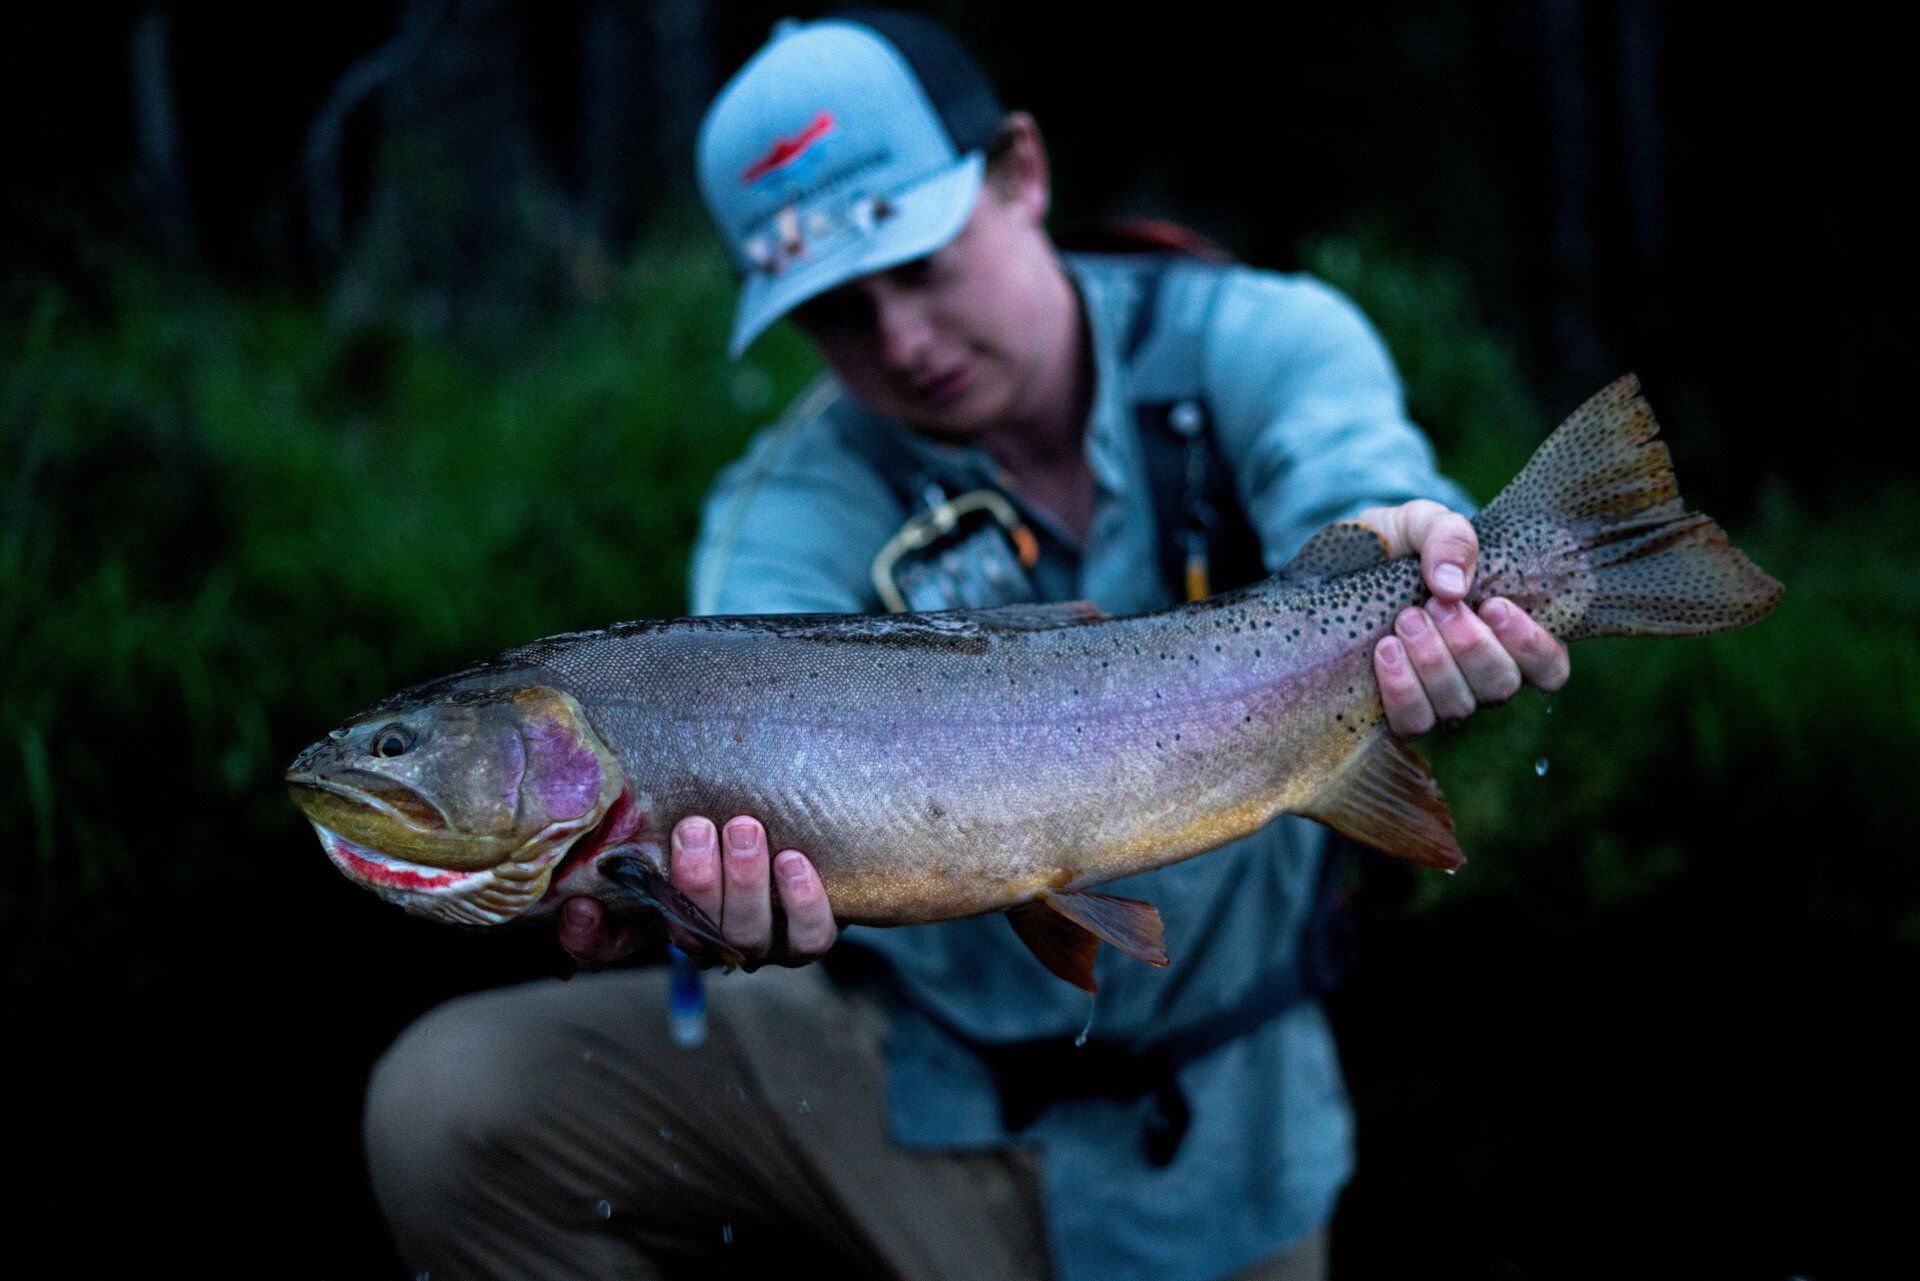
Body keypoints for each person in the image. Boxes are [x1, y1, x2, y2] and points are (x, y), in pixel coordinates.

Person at [364, 13, 1571, 1281]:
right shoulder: (787, 509)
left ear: (1021, 173)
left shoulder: (1261, 337)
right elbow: (722, 823)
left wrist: (1414, 549)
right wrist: (676, 912)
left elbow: (1351, 473)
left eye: (920, 264)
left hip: (1230, 1134)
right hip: (907, 1094)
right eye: (834, 311)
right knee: (450, 1109)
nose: (900, 342)